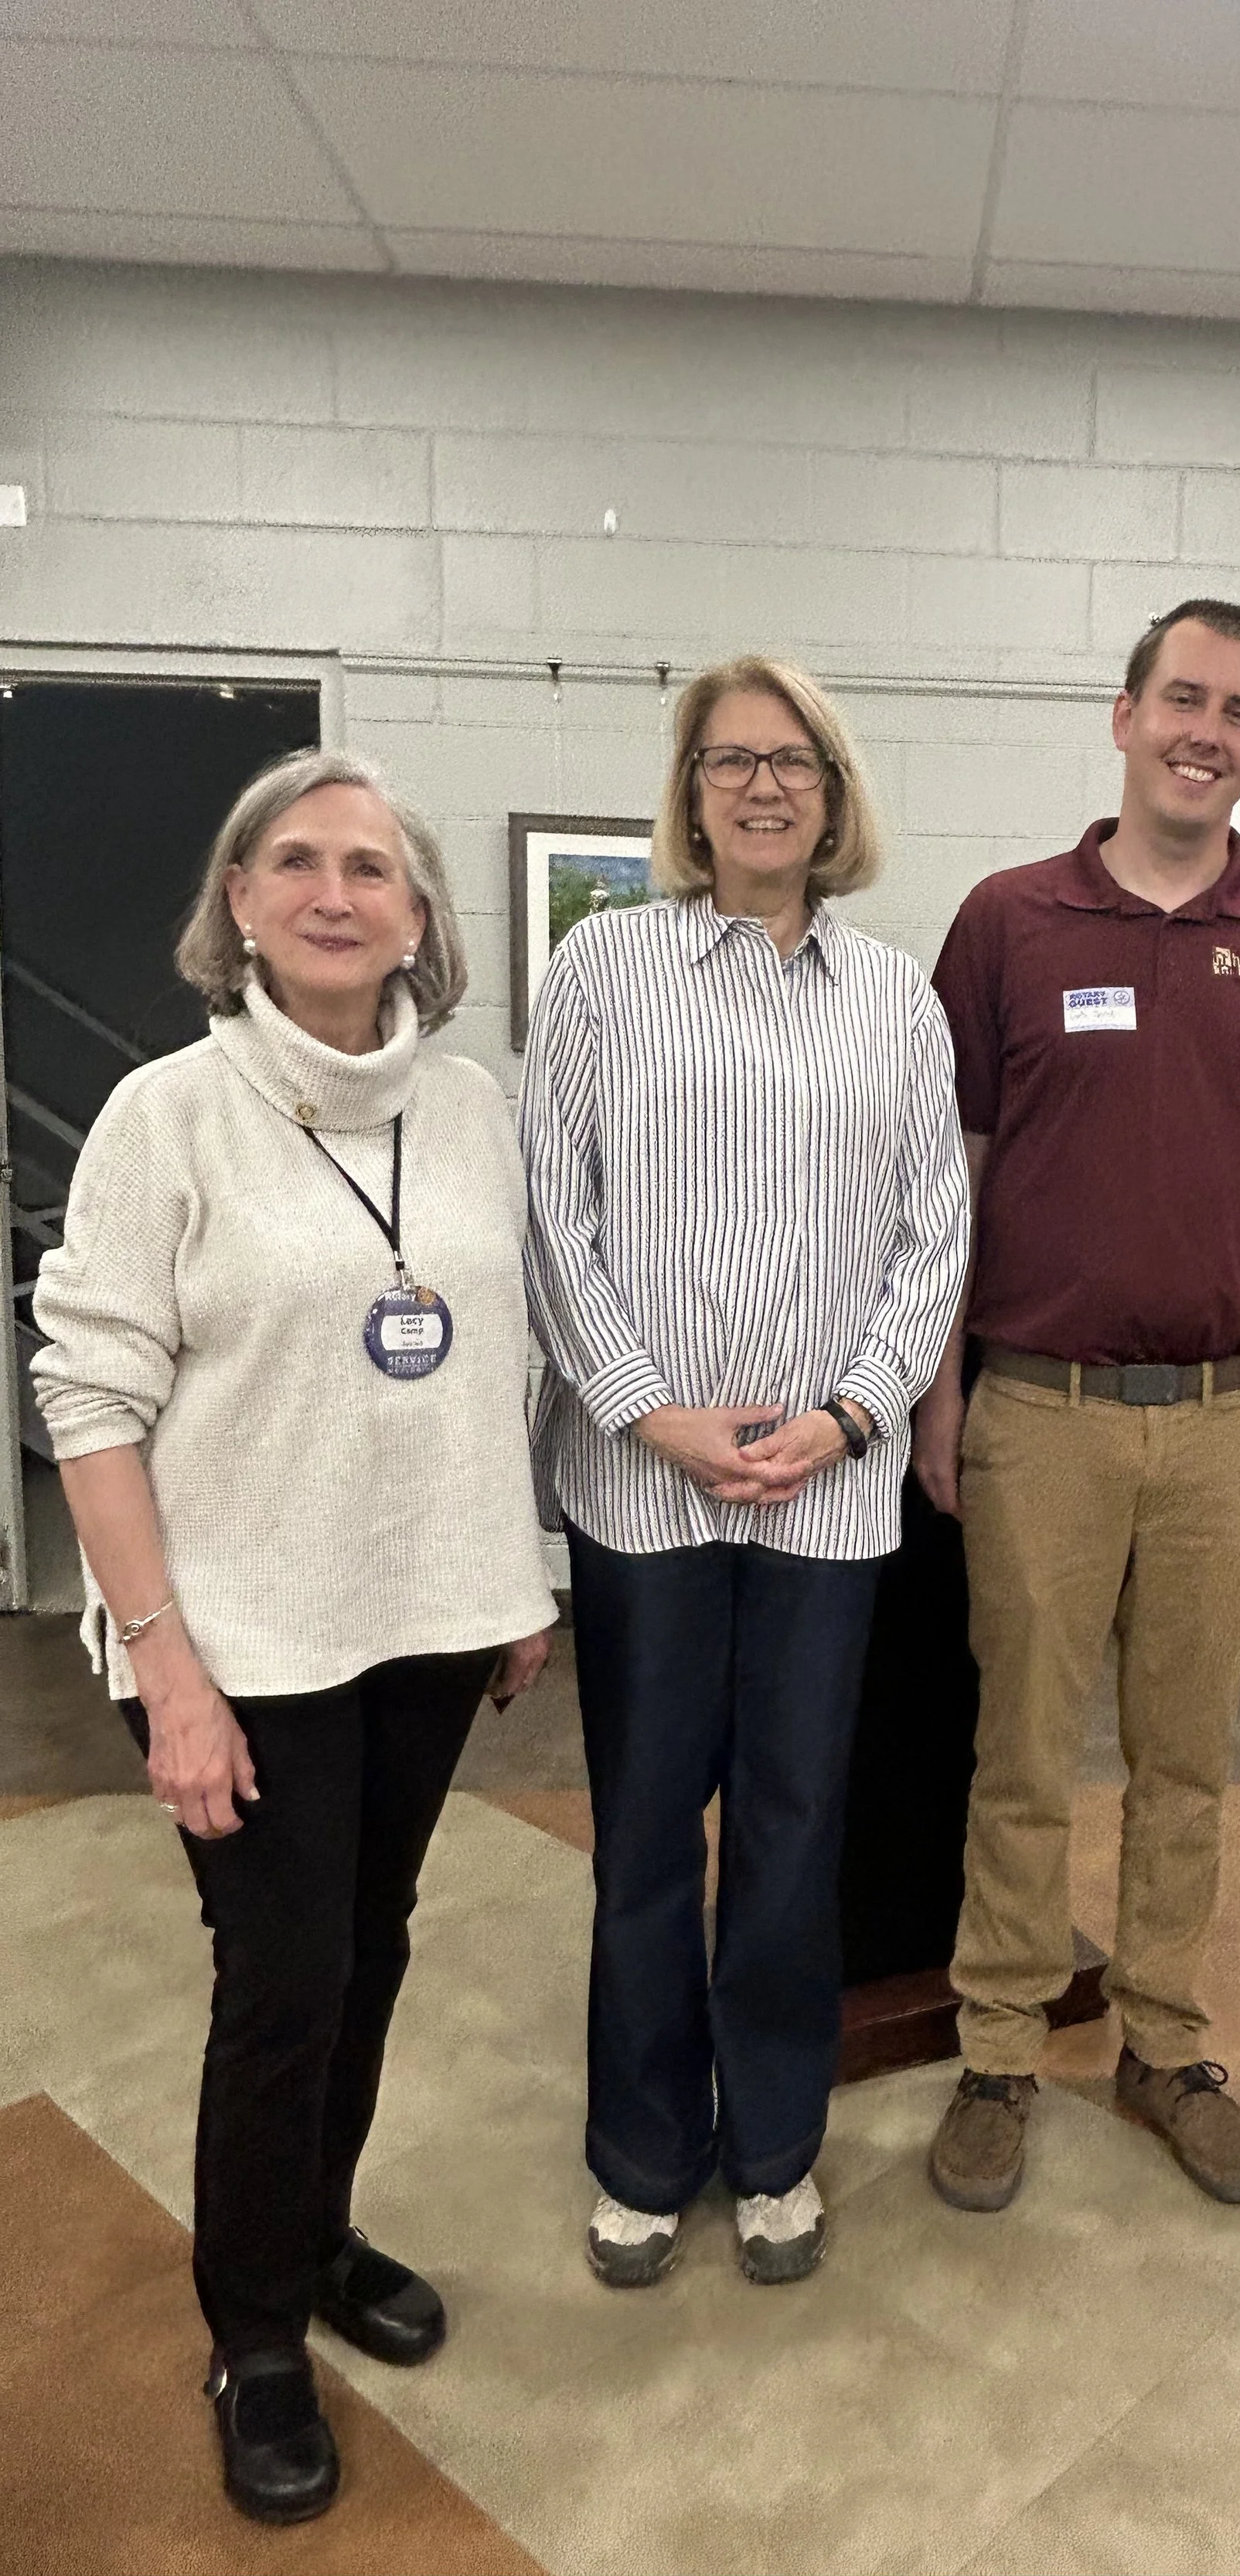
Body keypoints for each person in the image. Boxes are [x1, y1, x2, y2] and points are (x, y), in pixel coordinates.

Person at [30, 749, 557, 2523]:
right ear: (240, 903)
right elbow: (90, 1400)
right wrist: (161, 1661)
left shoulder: (471, 1106)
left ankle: (316, 2233)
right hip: (237, 1639)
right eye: (299, 862)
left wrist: (512, 1578)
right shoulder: (166, 1116)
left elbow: (498, 1355)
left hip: (422, 1620)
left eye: (376, 868)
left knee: (375, 1938)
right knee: (284, 1981)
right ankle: (255, 2334)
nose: (340, 892)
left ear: (420, 918)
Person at [915, 598, 1240, 2214]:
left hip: (1225, 1417)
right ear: (1121, 714)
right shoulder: (1005, 922)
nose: (1207, 731)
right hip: (1034, 1410)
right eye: (1181, 697)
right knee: (1020, 1749)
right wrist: (935, 1393)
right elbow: (951, 1179)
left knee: (1186, 1755)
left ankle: (1162, 2040)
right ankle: (995, 2045)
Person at [520, 655, 969, 2291]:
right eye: (729, 761)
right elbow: (551, 1220)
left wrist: (849, 1414)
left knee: (790, 1831)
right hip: (642, 1489)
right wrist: (653, 1412)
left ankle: (772, 2147)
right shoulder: (602, 970)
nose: (762, 786)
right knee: (645, 1830)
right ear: (689, 792)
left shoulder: (895, 998)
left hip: (828, 1499)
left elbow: (937, 1235)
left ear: (833, 796)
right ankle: (643, 2151)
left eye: (792, 762)